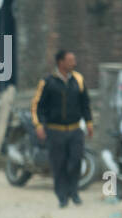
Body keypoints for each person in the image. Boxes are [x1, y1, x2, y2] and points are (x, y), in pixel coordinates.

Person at [32, 49, 93, 207]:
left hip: (74, 129)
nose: (74, 63)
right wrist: (39, 125)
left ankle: (74, 191)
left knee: (76, 160)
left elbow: (85, 104)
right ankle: (62, 196)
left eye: (74, 60)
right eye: (70, 60)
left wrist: (89, 123)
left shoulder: (78, 80)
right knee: (58, 165)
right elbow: (37, 106)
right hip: (55, 130)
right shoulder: (47, 82)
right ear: (61, 63)